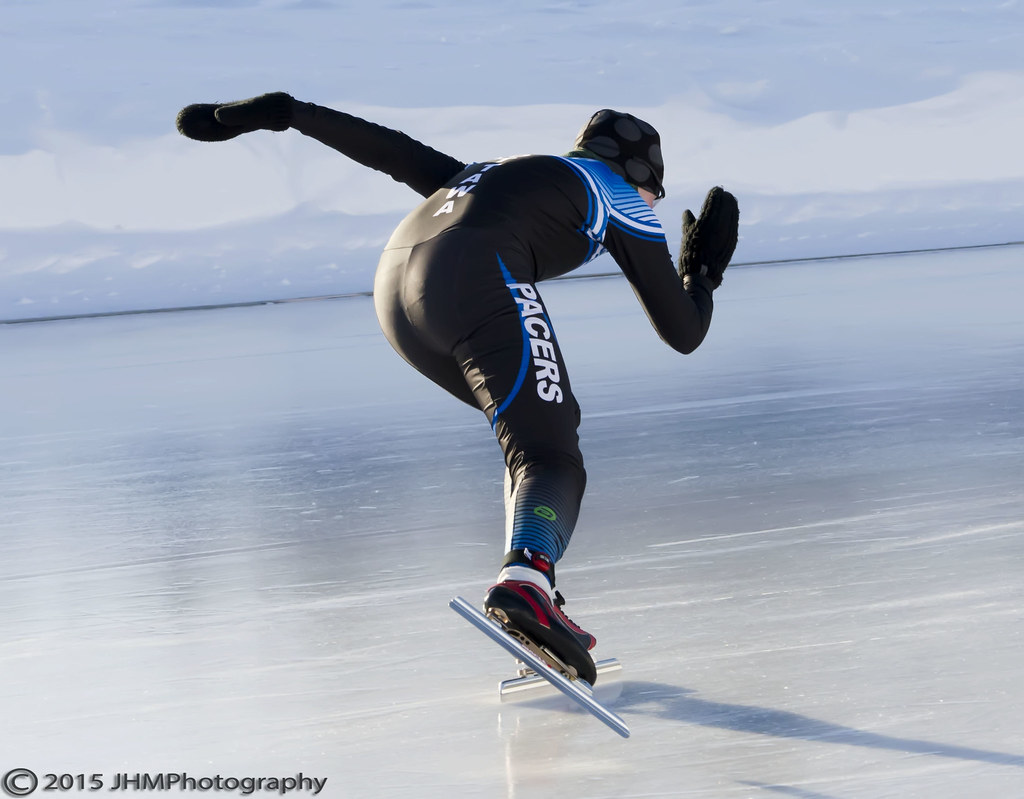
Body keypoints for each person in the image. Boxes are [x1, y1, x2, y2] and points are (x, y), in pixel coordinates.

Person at [176, 92, 739, 685]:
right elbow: (683, 331)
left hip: (397, 291)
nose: (654, 205)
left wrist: (292, 114)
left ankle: (530, 581)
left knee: (529, 441)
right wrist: (701, 277)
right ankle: (526, 583)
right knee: (551, 453)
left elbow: (395, 153)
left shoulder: (505, 169)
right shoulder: (620, 193)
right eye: (658, 191)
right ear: (641, 175)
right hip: (475, 274)